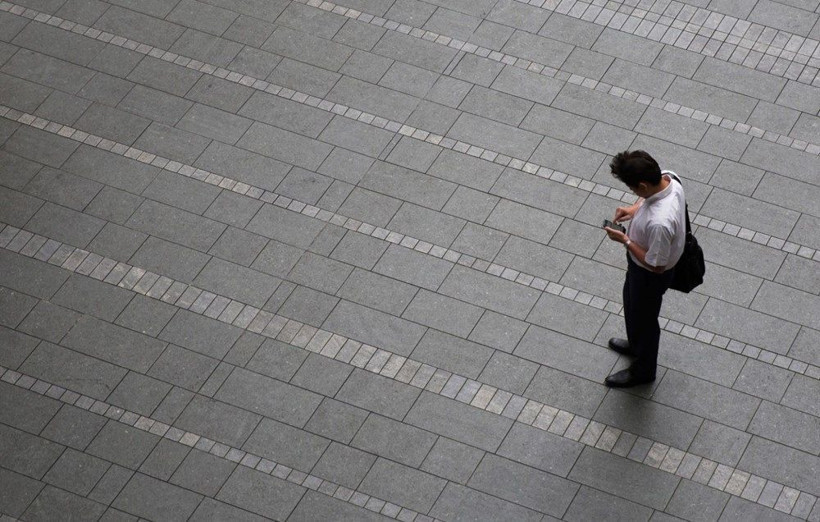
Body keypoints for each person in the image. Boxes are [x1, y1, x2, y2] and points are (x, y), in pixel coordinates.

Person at [602, 150, 686, 388]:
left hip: (648, 275)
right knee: (632, 305)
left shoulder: (661, 223)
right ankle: (636, 342)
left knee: (645, 319)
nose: (633, 194)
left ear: (643, 185)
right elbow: (647, 200)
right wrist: (634, 209)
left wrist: (625, 241)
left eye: (633, 190)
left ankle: (644, 369)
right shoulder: (669, 178)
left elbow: (656, 265)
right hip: (639, 269)